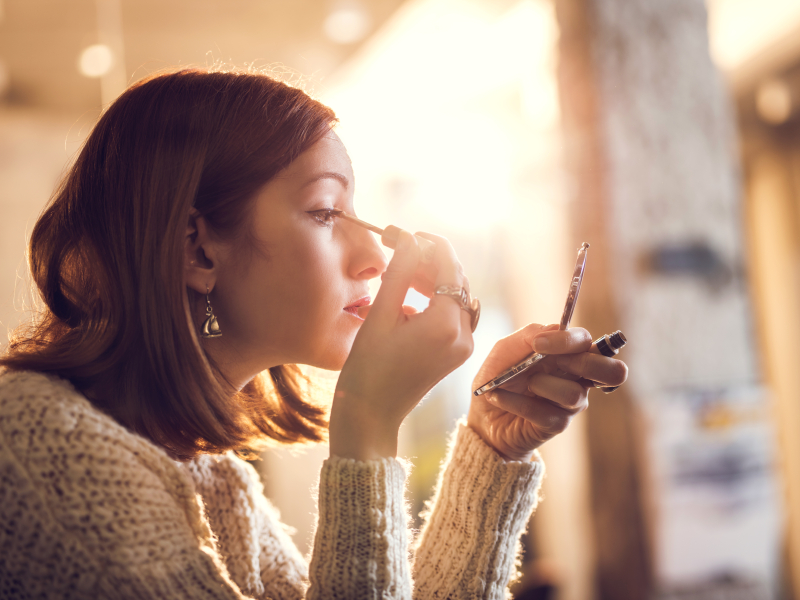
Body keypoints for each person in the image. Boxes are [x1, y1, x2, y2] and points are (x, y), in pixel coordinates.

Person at [0, 68, 627, 599]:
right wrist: (366, 421)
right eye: (325, 211)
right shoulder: (46, 456)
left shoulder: (211, 476)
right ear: (196, 247)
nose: (375, 256)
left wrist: (491, 449)